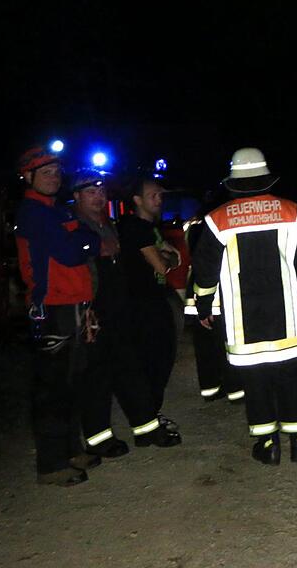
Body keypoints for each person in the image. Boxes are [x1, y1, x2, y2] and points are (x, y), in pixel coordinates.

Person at [192, 148, 297, 464]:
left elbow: (205, 271)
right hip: (289, 317)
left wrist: (203, 307)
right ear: (267, 180)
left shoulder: (216, 220)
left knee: (257, 382)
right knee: (291, 375)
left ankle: (268, 445)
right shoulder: (293, 212)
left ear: (233, 183)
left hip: (242, 322)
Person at [70, 169, 181, 456]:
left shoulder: (109, 224)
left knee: (130, 369)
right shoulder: (72, 226)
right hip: (92, 312)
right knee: (97, 377)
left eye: (101, 191)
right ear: (76, 196)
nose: (98, 197)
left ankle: (146, 429)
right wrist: (86, 311)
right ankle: (99, 439)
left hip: (119, 309)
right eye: (90, 192)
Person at [14, 146, 100, 486]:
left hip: (74, 304)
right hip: (51, 308)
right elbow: (70, 250)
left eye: (56, 171)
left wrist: (84, 240)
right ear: (29, 176)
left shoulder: (56, 211)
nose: (54, 177)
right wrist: (86, 242)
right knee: (52, 387)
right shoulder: (34, 212)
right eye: (45, 172)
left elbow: (85, 237)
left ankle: (70, 450)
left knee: (71, 383)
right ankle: (51, 465)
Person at [118, 175, 181, 441]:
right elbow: (164, 264)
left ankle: (150, 416)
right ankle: (146, 423)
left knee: (162, 359)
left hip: (155, 299)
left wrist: (167, 257)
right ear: (137, 200)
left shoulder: (151, 228)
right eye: (154, 195)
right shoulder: (135, 227)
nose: (159, 199)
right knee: (151, 362)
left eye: (161, 195)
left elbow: (175, 257)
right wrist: (165, 257)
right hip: (140, 306)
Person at [182, 210, 245, 405]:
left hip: (197, 294)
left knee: (204, 347)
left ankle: (210, 389)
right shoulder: (218, 228)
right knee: (226, 344)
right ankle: (236, 390)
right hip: (215, 297)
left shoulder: (193, 226)